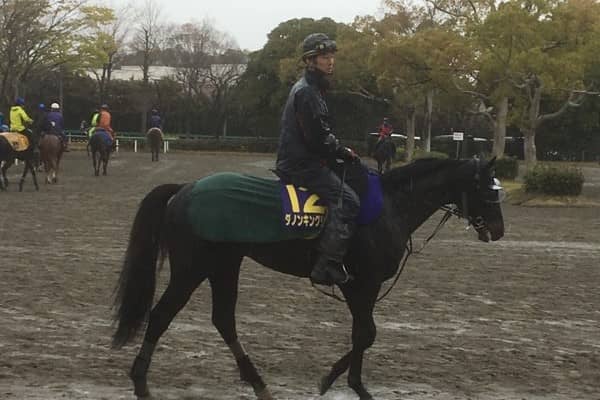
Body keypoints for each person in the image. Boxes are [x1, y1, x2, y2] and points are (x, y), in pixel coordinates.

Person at [275, 32, 360, 286]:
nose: (330, 61)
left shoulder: (311, 89)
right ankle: (327, 265)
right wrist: (341, 151)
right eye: (324, 57)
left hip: (301, 160)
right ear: (310, 61)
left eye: (331, 56)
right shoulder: (308, 92)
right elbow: (318, 138)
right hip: (302, 165)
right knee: (349, 201)